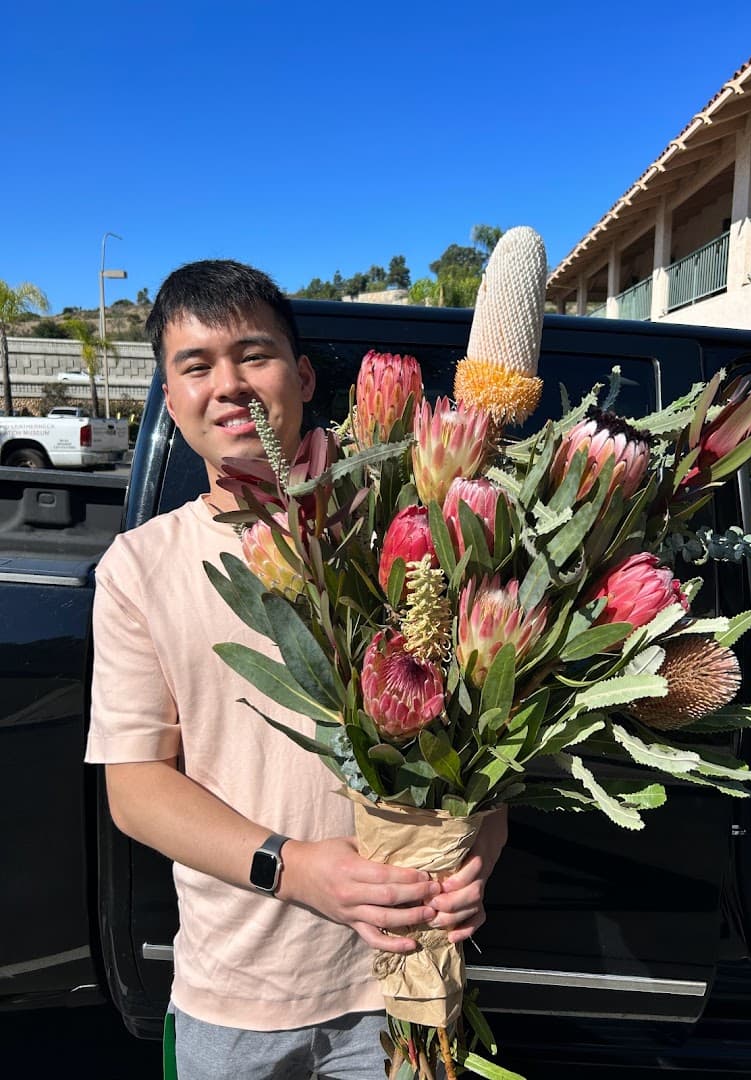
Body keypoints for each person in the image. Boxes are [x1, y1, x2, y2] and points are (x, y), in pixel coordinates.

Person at [85, 259, 507, 1080]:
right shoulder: (140, 566)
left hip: (404, 983)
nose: (229, 386)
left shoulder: (411, 525)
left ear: (303, 376)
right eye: (197, 366)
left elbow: (487, 744)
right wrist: (294, 868)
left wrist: (474, 856)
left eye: (254, 355)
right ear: (170, 398)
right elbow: (135, 787)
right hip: (235, 998)